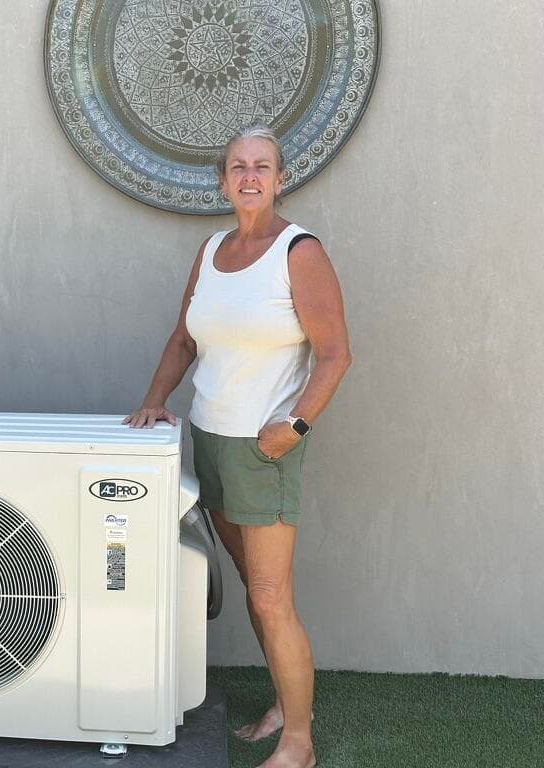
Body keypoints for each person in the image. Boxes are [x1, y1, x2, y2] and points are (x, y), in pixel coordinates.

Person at [126, 125, 351, 768]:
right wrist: (154, 401)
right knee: (258, 586)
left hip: (264, 449)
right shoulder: (213, 249)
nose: (249, 176)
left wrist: (297, 425)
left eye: (262, 166)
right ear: (222, 180)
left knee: (270, 595)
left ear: (281, 179)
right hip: (211, 440)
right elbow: (183, 339)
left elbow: (336, 354)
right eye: (237, 167)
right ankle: (284, 702)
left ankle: (299, 742)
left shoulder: (298, 251)